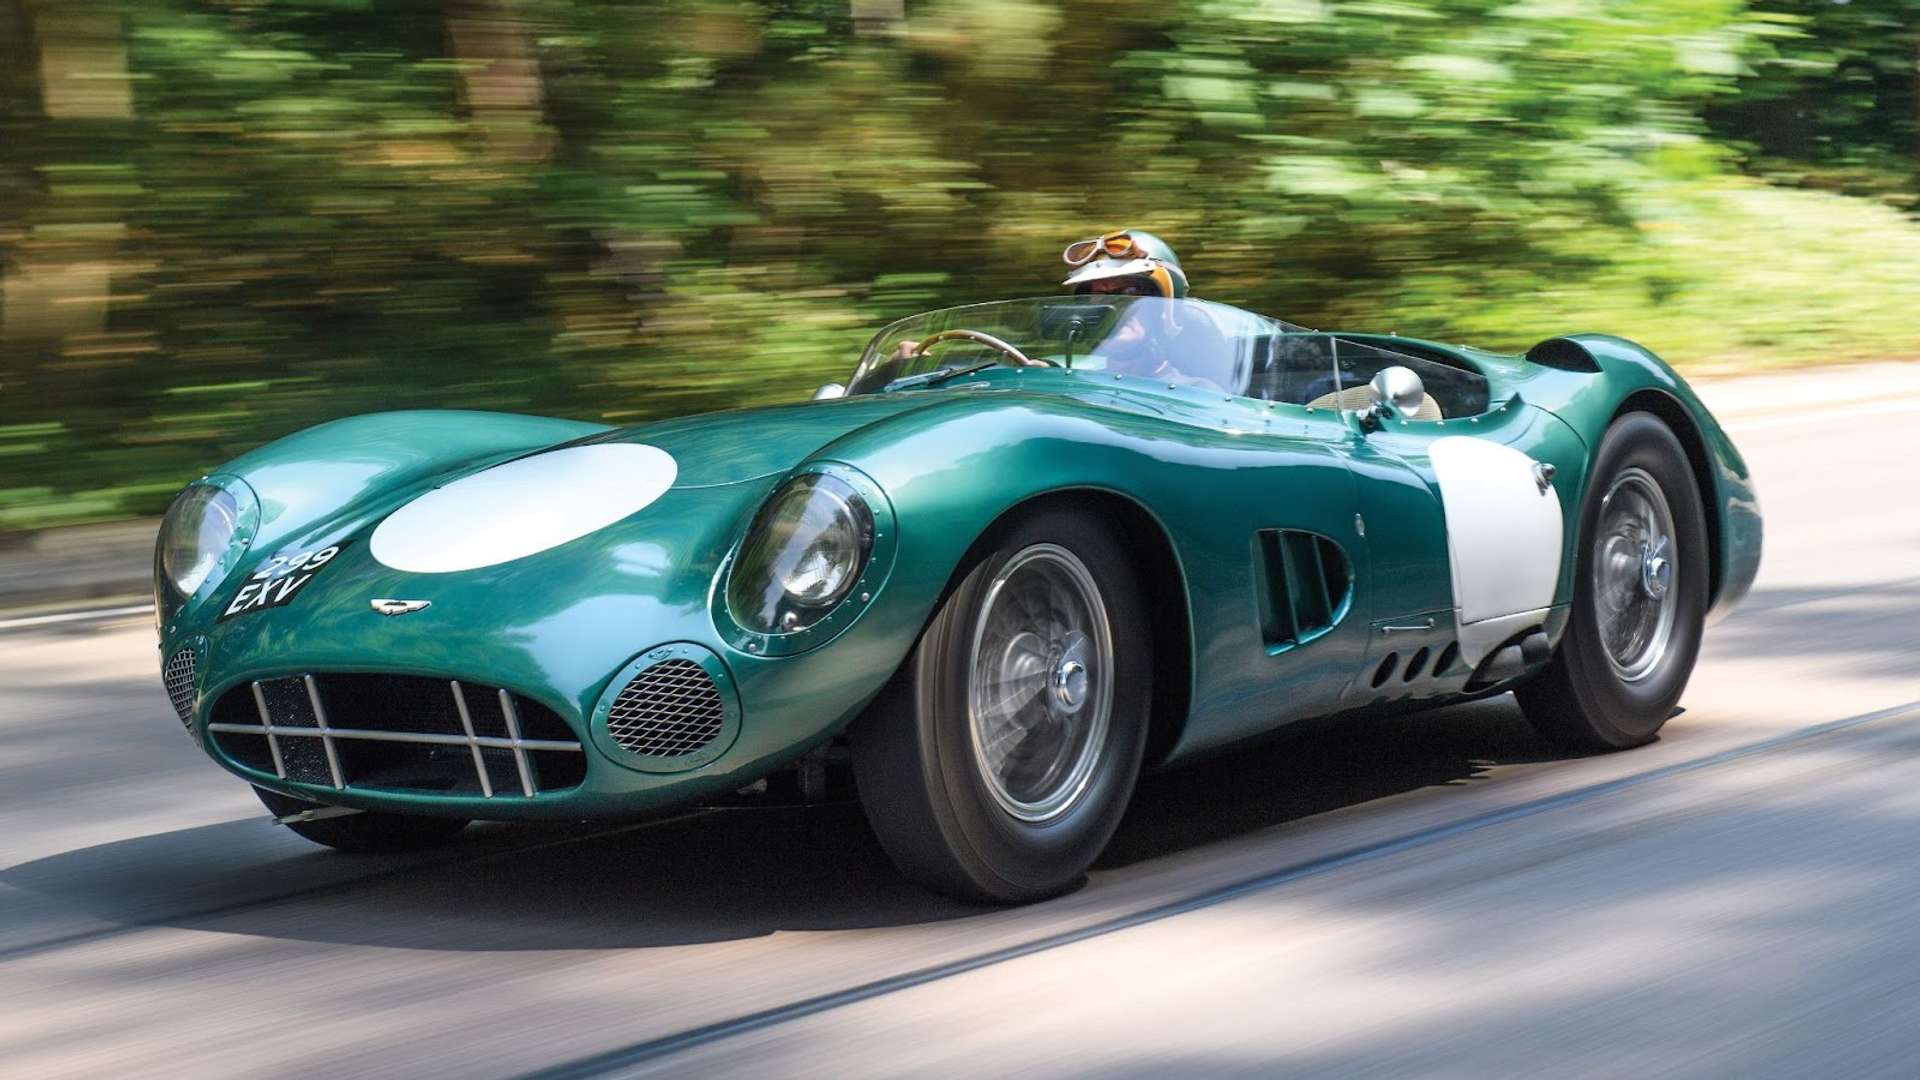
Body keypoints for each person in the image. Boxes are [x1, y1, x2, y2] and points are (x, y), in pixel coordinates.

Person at [1060, 229, 1227, 389]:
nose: (1114, 306)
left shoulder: (1198, 393)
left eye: (1129, 293)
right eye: (1100, 295)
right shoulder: (1078, 388)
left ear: (1164, 308)